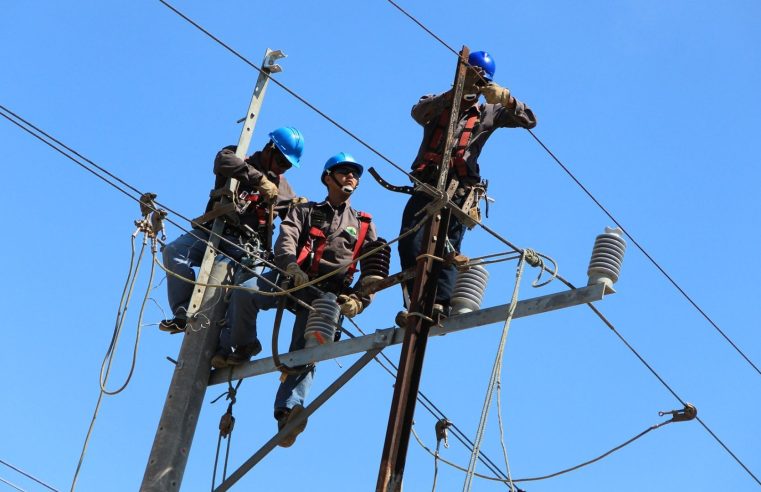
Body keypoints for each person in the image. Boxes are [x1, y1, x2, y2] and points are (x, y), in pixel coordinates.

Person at [226, 152, 378, 447]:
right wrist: (290, 265)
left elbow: (374, 268)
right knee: (246, 292)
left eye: (354, 174)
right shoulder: (305, 210)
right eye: (344, 171)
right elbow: (288, 236)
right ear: (328, 177)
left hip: (328, 294)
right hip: (294, 277)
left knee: (308, 349)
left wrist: (360, 300)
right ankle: (243, 345)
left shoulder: (362, 223)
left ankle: (287, 412)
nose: (351, 177)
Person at [398, 50, 537, 316]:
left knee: (448, 249)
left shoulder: (488, 112)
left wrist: (507, 99)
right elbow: (418, 113)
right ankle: (413, 301)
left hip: (458, 191)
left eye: (480, 78)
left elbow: (529, 120)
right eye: (470, 75)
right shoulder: (438, 102)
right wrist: (456, 95)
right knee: (409, 242)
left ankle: (440, 304)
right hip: (427, 185)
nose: (475, 82)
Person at [159, 127, 304, 338]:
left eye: (288, 166)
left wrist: (300, 208)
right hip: (214, 232)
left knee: (240, 294)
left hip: (247, 248)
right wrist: (259, 180)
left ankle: (230, 346)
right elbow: (223, 161)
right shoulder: (239, 156)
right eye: (281, 162)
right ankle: (183, 313)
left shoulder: (283, 188)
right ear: (269, 149)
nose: (283, 170)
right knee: (174, 252)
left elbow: (294, 223)